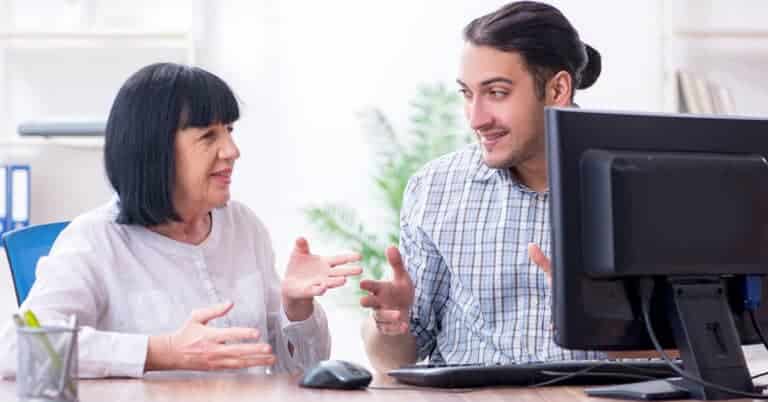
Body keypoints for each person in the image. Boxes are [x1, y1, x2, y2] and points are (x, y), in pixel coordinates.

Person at [0, 63, 362, 378]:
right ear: (154, 149)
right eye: (209, 136)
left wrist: (295, 308)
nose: (232, 151)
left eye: (230, 131)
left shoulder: (243, 227)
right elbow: (18, 349)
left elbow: (297, 372)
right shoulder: (95, 240)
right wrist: (161, 351)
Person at [360, 1, 605, 372]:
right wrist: (391, 323)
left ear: (557, 89)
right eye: (466, 94)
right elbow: (396, 360)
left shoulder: (640, 186)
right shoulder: (435, 188)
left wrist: (598, 317)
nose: (476, 119)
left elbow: (700, 346)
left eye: (496, 93)